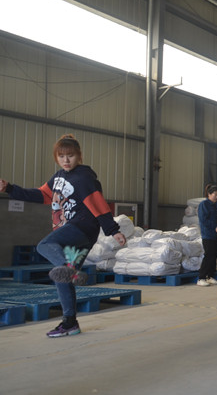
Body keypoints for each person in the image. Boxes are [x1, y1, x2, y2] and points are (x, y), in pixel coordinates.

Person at [0, 134, 126, 337]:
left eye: (70, 155)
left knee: (44, 245)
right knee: (62, 278)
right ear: (56, 157)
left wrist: (113, 230)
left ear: (79, 156)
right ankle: (70, 322)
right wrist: (10, 189)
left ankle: (70, 271)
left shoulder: (84, 177)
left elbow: (98, 203)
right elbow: (41, 195)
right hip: (74, 233)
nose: (66, 160)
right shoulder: (58, 177)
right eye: (61, 156)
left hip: (82, 227)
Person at [197, 184, 217, 287]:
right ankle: (201, 278)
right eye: (215, 195)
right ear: (209, 194)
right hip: (208, 234)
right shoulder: (204, 205)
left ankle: (210, 276)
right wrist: (214, 227)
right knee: (209, 255)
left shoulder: (216, 205)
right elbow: (203, 220)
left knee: (214, 255)